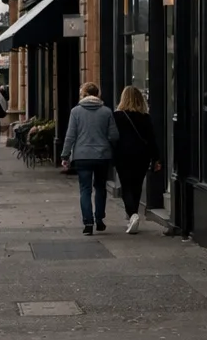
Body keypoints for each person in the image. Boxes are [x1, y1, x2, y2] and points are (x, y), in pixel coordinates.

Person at [61, 82, 119, 235]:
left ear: (84, 95)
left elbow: (70, 136)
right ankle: (99, 219)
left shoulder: (76, 112)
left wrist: (65, 155)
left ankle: (88, 223)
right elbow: (114, 135)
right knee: (100, 188)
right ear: (97, 94)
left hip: (82, 156)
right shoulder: (106, 112)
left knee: (85, 190)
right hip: (102, 156)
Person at [112, 86, 160, 235]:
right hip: (142, 155)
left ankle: (132, 214)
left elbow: (112, 137)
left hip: (123, 155)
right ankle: (133, 213)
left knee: (126, 185)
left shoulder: (117, 116)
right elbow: (152, 140)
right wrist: (156, 158)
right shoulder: (145, 117)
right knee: (137, 185)